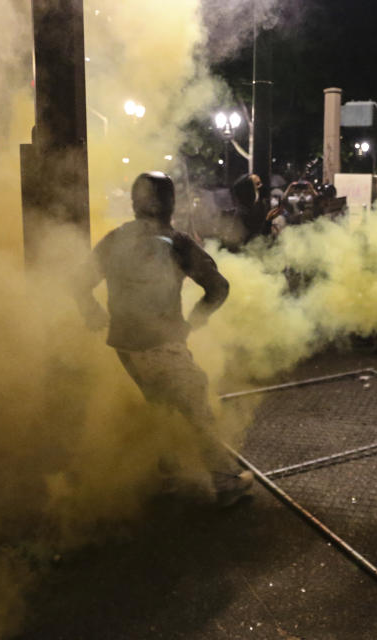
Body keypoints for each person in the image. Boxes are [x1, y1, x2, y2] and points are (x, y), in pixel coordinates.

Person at [74, 171, 253, 507]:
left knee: (160, 406)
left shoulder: (114, 239)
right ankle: (226, 482)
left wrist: (92, 313)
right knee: (197, 409)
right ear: (170, 204)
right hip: (162, 345)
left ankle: (167, 474)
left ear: (134, 204)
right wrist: (192, 324)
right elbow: (220, 288)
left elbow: (78, 282)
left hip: (125, 345)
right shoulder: (178, 242)